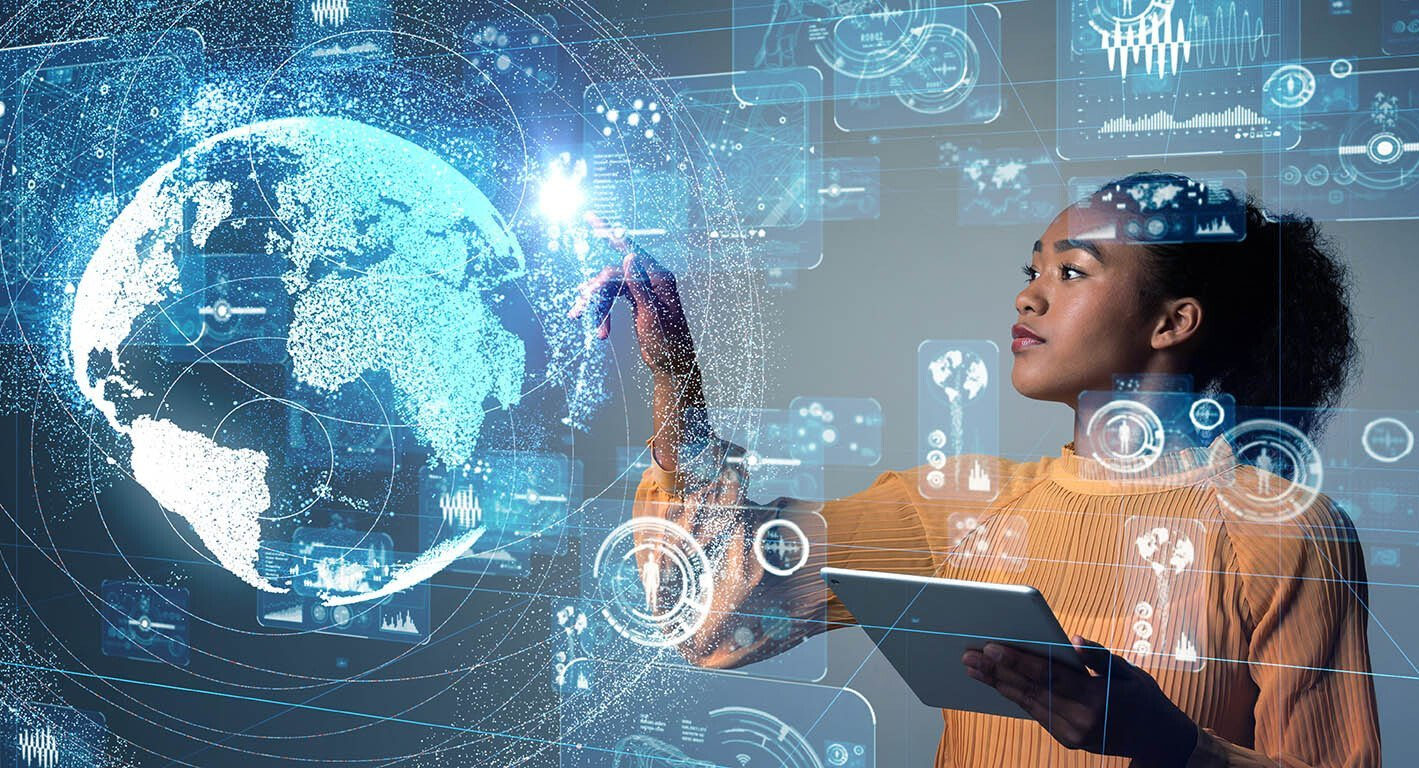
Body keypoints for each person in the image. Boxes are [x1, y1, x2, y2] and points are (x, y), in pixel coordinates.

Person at [569, 175, 1380, 767]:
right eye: (1030, 271)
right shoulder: (960, 504)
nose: (1027, 298)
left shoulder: (1277, 530)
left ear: (1172, 321)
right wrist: (676, 370)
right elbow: (710, 617)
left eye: (1071, 272)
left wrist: (1169, 744)